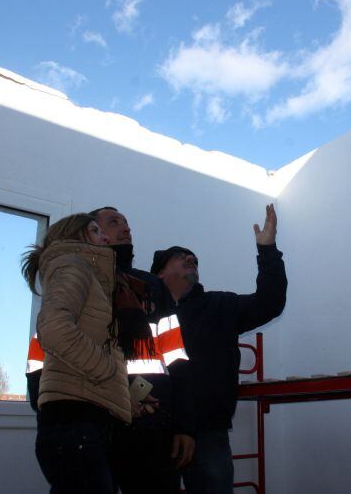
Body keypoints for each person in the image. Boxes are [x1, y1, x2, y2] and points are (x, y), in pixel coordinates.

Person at [150, 204, 287, 494]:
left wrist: (268, 251)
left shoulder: (219, 305)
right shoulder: (143, 313)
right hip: (152, 433)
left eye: (194, 259)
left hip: (208, 433)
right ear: (160, 273)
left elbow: (270, 302)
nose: (191, 259)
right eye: (180, 256)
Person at [21, 213, 144, 494]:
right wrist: (106, 370)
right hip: (75, 422)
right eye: (95, 230)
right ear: (76, 236)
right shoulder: (74, 265)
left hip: (84, 421)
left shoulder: (93, 279)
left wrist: (123, 399)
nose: (104, 237)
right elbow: (53, 326)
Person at [90, 206, 196, 494]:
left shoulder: (152, 287)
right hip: (93, 428)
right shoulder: (77, 282)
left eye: (126, 223)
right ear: (93, 233)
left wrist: (184, 426)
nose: (126, 228)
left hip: (152, 426)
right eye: (114, 222)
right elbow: (48, 361)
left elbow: (176, 359)